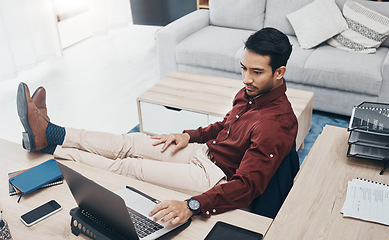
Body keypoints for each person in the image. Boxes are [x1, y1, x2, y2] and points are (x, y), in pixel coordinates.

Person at [16, 27, 297, 226]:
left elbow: (247, 187)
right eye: (243, 68)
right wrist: (189, 135)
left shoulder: (276, 125)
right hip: (204, 152)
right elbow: (226, 125)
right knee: (131, 142)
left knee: (129, 166)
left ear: (279, 72)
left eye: (256, 72)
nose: (246, 78)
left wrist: (191, 205)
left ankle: (53, 150)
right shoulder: (251, 93)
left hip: (213, 176)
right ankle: (52, 132)